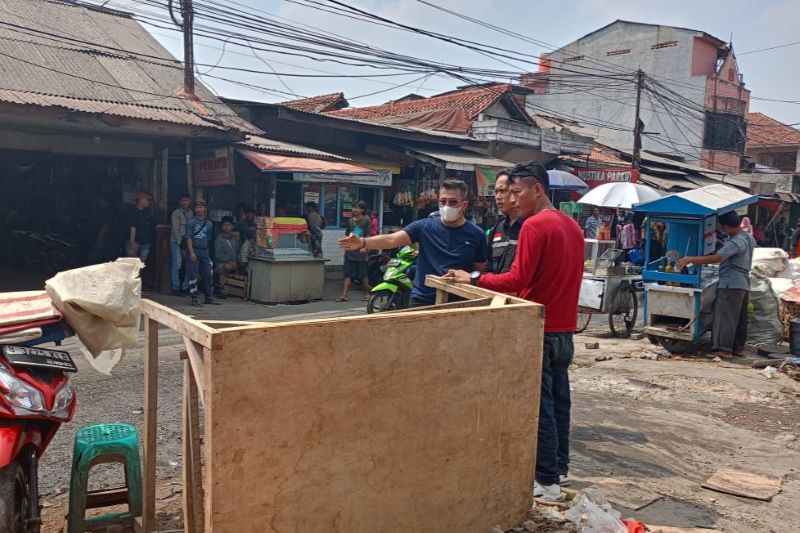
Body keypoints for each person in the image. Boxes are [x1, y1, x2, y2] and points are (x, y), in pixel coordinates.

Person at [445, 162, 584, 502]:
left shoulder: (536, 225)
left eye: (517, 192)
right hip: (564, 328)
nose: (513, 199)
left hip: (539, 327)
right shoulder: (572, 226)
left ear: (537, 189)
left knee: (541, 408)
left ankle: (547, 481)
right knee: (559, 403)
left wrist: (472, 278)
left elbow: (516, 279)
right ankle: (559, 469)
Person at [338, 179, 487, 306]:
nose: (447, 206)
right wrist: (363, 242)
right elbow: (392, 239)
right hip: (422, 300)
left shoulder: (477, 234)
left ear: (464, 205)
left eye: (453, 202)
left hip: (459, 303)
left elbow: (479, 270)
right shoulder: (424, 227)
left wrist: (466, 278)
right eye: (443, 201)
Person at [676, 211, 756, 359]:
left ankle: (723, 349)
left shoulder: (736, 242)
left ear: (725, 226)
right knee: (739, 318)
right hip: (743, 282)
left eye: (721, 227)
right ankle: (738, 347)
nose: (721, 230)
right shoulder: (748, 237)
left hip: (731, 283)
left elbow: (718, 257)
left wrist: (690, 259)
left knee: (725, 317)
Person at [485, 171, 525, 274]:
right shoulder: (497, 229)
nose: (498, 196)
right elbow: (488, 266)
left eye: (502, 191)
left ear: (514, 192)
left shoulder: (529, 227)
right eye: (496, 191)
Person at [185, 199, 220, 306]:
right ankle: (194, 298)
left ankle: (209, 296)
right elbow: (188, 238)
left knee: (208, 274)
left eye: (201, 207)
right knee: (193, 275)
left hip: (204, 251)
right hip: (194, 250)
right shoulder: (191, 222)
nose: (198, 209)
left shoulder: (209, 224)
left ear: (205, 209)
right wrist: (191, 252)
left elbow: (208, 239)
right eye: (196, 207)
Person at [338, 201, 372, 302]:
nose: (354, 210)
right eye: (353, 208)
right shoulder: (350, 221)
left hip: (361, 252)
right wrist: (345, 245)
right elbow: (347, 234)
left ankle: (366, 294)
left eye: (357, 208)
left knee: (363, 274)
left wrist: (365, 247)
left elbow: (368, 235)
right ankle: (344, 295)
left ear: (362, 209)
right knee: (347, 274)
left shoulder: (366, 220)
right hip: (350, 252)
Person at [169, 193, 192, 295]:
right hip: (176, 241)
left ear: (189, 201)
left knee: (189, 264)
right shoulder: (175, 213)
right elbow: (175, 229)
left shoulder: (191, 213)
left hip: (187, 241)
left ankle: (185, 286)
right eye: (182, 200)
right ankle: (176, 287)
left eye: (186, 200)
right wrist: (180, 243)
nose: (184, 202)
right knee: (177, 264)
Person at [125, 192, 152, 263]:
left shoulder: (146, 212)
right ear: (142, 200)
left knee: (141, 265)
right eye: (147, 200)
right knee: (133, 265)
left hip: (145, 243)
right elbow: (133, 228)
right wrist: (132, 242)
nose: (149, 202)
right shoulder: (133, 212)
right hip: (135, 243)